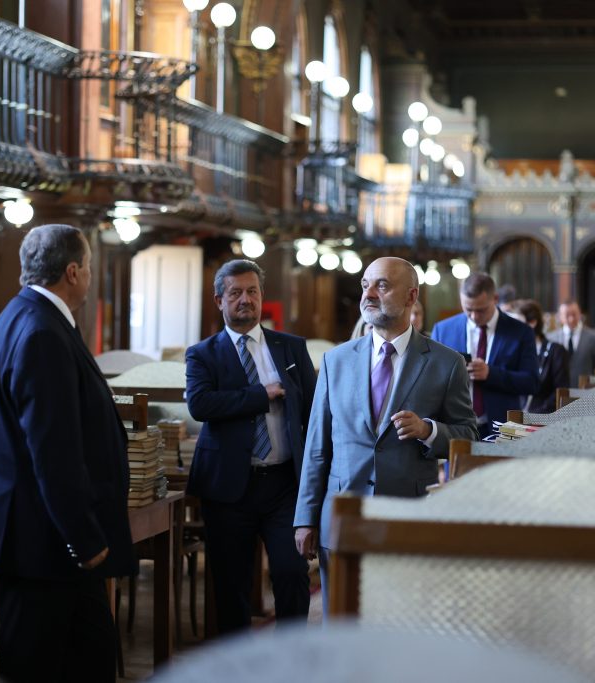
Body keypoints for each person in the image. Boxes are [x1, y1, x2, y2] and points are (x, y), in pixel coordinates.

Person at [0, 224, 134, 683]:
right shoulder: (40, 330)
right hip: (45, 543)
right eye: (90, 267)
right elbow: (52, 449)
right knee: (36, 667)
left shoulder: (25, 315)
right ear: (73, 272)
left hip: (49, 541)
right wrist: (85, 538)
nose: (91, 276)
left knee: (92, 655)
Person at [293, 257, 477, 609]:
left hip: (406, 515)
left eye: (382, 285)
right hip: (342, 516)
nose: (369, 295)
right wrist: (305, 517)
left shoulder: (446, 362)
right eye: (365, 285)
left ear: (411, 296)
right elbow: (317, 446)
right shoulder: (336, 360)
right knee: (340, 625)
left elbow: (468, 436)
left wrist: (427, 430)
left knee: (399, 621)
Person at [185, 259, 318, 634]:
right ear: (219, 300)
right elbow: (201, 405)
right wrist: (261, 395)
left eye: (252, 291)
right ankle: (238, 661)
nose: (245, 299)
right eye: (235, 293)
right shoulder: (203, 354)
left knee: (291, 573)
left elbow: (312, 410)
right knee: (232, 587)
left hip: (284, 485)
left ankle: (292, 657)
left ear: (262, 296)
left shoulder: (291, 348)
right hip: (229, 487)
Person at [432, 272, 539, 438]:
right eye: (468, 309)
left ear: (495, 299)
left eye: (481, 310)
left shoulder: (521, 332)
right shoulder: (443, 330)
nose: (474, 316)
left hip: (502, 429)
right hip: (454, 428)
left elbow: (531, 383)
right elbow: (432, 380)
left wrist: (491, 373)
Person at [505, 299, 569, 413]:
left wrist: (536, 415)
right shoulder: (512, 351)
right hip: (513, 417)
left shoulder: (556, 351)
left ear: (532, 323)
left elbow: (560, 392)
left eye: (516, 323)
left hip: (544, 418)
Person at [557, 299, 595, 387]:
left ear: (580, 314)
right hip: (558, 391)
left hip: (585, 390)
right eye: (567, 315)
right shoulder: (551, 339)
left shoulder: (594, 338)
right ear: (560, 317)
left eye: (574, 314)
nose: (571, 319)